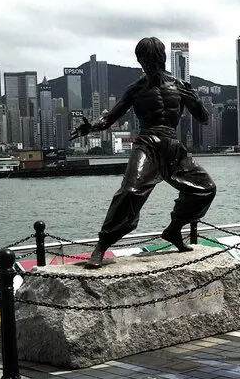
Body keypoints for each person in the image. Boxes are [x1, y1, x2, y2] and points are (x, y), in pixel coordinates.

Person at [70, 37, 217, 269]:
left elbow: (204, 119)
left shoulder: (180, 86)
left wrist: (196, 100)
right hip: (147, 144)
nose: (149, 65)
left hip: (172, 146)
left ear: (162, 59)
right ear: (140, 62)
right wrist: (91, 127)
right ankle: (101, 246)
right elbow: (110, 118)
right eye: (145, 61)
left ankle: (174, 229)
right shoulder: (136, 89)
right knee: (129, 192)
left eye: (153, 60)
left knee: (205, 189)